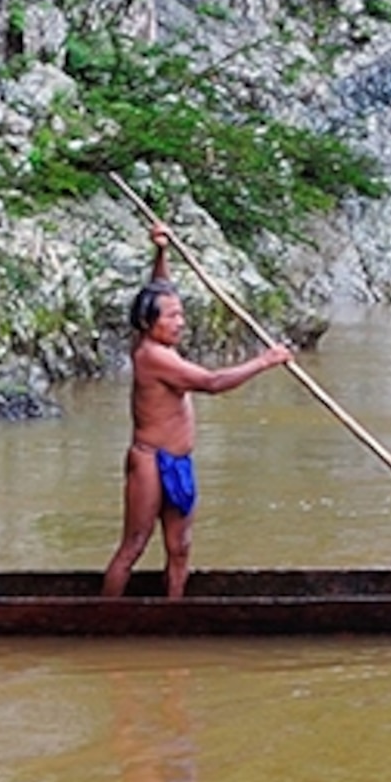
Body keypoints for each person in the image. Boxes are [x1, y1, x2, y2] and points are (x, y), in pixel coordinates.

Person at [104, 227, 295, 599]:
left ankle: (174, 615)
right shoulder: (151, 356)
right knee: (134, 546)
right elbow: (211, 382)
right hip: (149, 462)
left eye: (181, 315)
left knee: (180, 547)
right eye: (172, 317)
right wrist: (266, 361)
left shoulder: (157, 336)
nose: (180, 322)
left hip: (178, 461)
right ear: (149, 323)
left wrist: (161, 252)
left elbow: (159, 289)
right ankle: (103, 622)